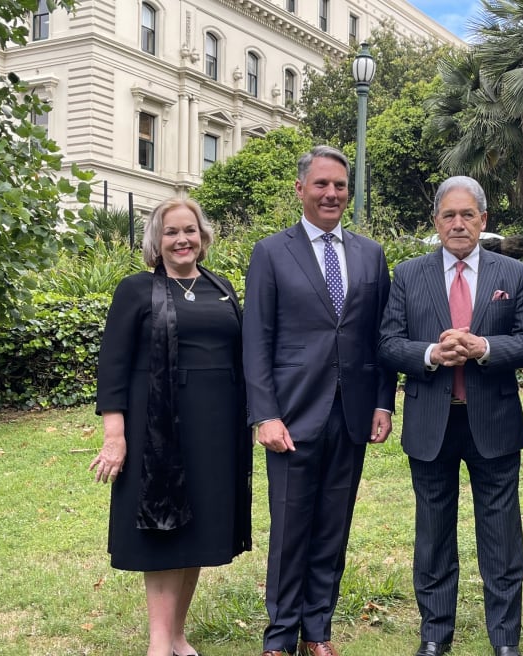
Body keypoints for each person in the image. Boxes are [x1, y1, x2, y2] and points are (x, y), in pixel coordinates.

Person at [243, 145, 396, 656]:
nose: (332, 193)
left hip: (351, 414)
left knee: (333, 526)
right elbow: (256, 339)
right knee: (289, 530)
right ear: (300, 189)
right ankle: (280, 636)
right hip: (291, 415)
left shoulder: (370, 254)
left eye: (340, 185)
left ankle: (318, 632)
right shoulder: (271, 252)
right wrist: (264, 413)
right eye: (322, 184)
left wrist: (383, 402)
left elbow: (381, 338)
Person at [378, 175, 523, 656]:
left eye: (468, 214)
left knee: (501, 535)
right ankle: (434, 635)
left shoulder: (511, 273)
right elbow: (388, 343)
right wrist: (432, 353)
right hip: (432, 421)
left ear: (484, 220)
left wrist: (484, 347)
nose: (458, 223)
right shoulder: (409, 275)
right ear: (435, 222)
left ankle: (505, 639)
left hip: (493, 421)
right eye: (448, 215)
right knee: (432, 534)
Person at [89, 197, 252, 656]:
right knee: (162, 527)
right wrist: (114, 436)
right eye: (171, 232)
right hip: (156, 427)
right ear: (156, 242)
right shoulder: (136, 289)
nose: (182, 239)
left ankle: (179, 634)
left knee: (198, 528)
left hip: (217, 429)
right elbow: (113, 366)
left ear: (203, 237)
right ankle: (159, 643)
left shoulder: (222, 288)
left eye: (190, 230)